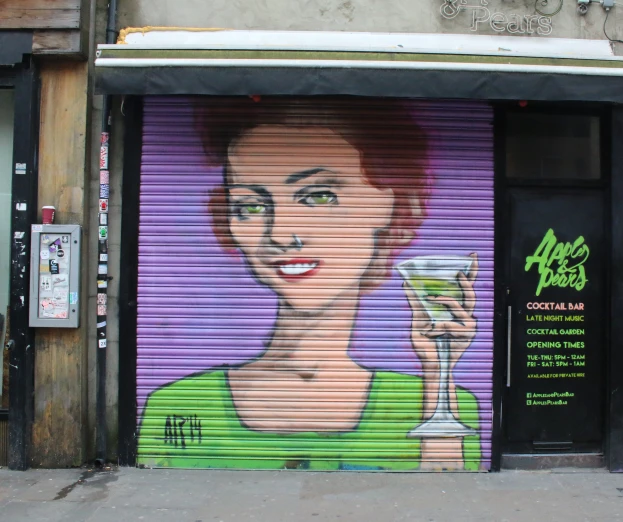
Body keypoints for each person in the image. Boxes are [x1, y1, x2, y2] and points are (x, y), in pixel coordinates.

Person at [137, 98, 481, 471]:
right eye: (250, 206)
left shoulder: (438, 399)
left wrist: (437, 370)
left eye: (318, 196)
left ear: (388, 204)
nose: (282, 233)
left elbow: (447, 495)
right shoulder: (178, 405)